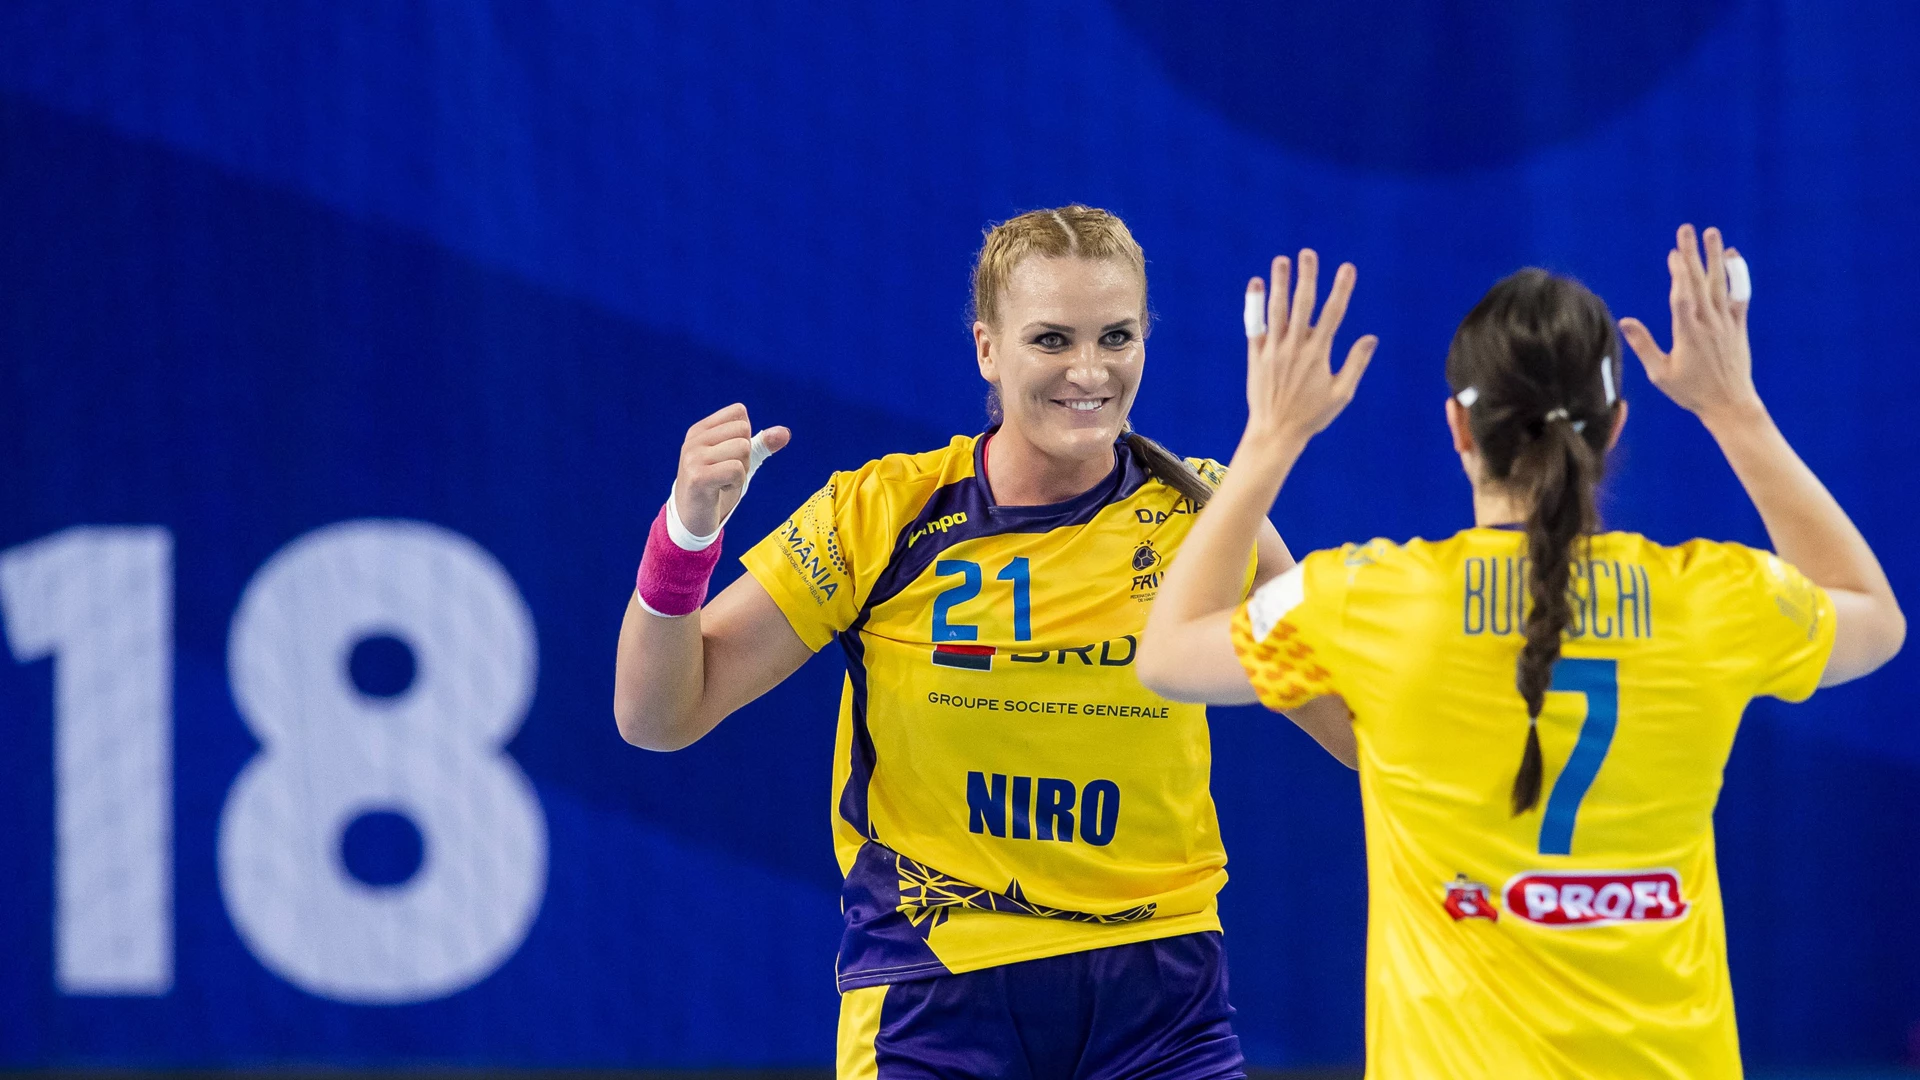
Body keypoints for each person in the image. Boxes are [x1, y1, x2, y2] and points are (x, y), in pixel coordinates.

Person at [1137, 226, 1904, 1076]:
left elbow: (1166, 655)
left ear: (1460, 429)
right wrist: (1735, 409)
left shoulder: (1374, 598)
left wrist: (1271, 437)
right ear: (1614, 427)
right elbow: (1874, 617)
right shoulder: (1710, 597)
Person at [614, 205, 1353, 1079]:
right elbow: (659, 715)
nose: (1090, 371)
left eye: (1117, 337)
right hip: (938, 990)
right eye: (1051, 340)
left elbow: (1360, 732)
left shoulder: (1210, 515)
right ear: (987, 351)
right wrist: (687, 536)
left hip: (1162, 993)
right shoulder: (880, 515)